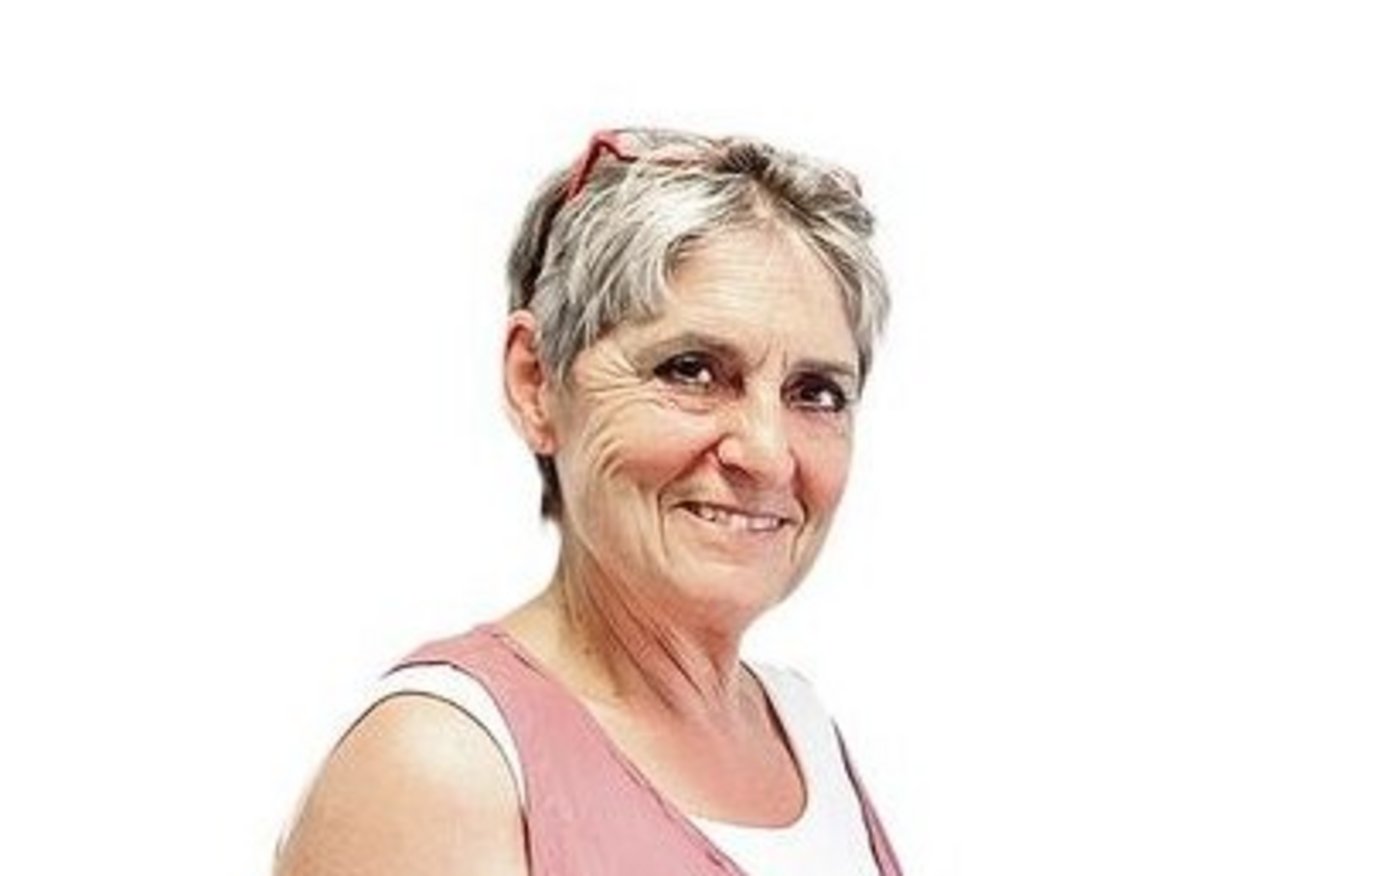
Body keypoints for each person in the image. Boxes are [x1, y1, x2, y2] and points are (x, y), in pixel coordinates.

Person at [275, 127, 902, 876]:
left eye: (816, 393)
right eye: (692, 370)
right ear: (536, 382)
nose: (767, 453)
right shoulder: (444, 768)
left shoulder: (802, 730)